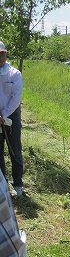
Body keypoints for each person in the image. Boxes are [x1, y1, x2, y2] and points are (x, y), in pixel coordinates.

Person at [0, 41, 23, 196]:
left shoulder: (14, 74)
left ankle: (18, 184)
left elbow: (16, 98)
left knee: (15, 149)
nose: (0, 57)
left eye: (2, 53)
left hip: (11, 114)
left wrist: (4, 114)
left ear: (6, 54)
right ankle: (3, 185)